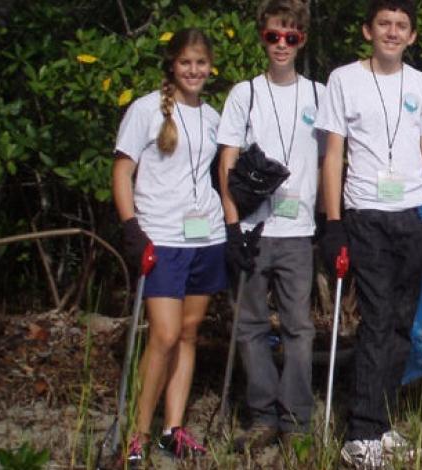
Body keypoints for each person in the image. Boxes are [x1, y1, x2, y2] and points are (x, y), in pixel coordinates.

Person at [314, 0, 422, 466]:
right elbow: (333, 154)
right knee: (376, 319)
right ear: (368, 31)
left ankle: (383, 421)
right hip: (365, 213)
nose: (392, 32)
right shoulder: (343, 80)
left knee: (401, 324)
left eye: (402, 26)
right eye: (384, 24)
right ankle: (361, 432)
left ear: (412, 37)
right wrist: (332, 224)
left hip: (412, 214)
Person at [214, 0, 326, 453]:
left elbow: (330, 159)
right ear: (262, 37)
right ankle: (262, 413)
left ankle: (296, 416)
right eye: (273, 36)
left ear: (301, 40)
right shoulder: (246, 93)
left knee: (300, 326)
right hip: (254, 229)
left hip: (298, 231)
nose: (281, 45)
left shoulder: (318, 94)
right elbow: (227, 160)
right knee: (251, 325)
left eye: (291, 37)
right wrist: (232, 226)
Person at [111, 28, 223, 466]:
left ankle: (172, 429)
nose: (193, 71)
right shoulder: (144, 110)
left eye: (201, 63)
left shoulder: (213, 115)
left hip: (207, 235)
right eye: (185, 62)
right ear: (172, 65)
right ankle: (136, 433)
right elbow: (122, 172)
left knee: (190, 333)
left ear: (210, 67)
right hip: (162, 235)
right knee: (164, 334)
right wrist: (131, 228)